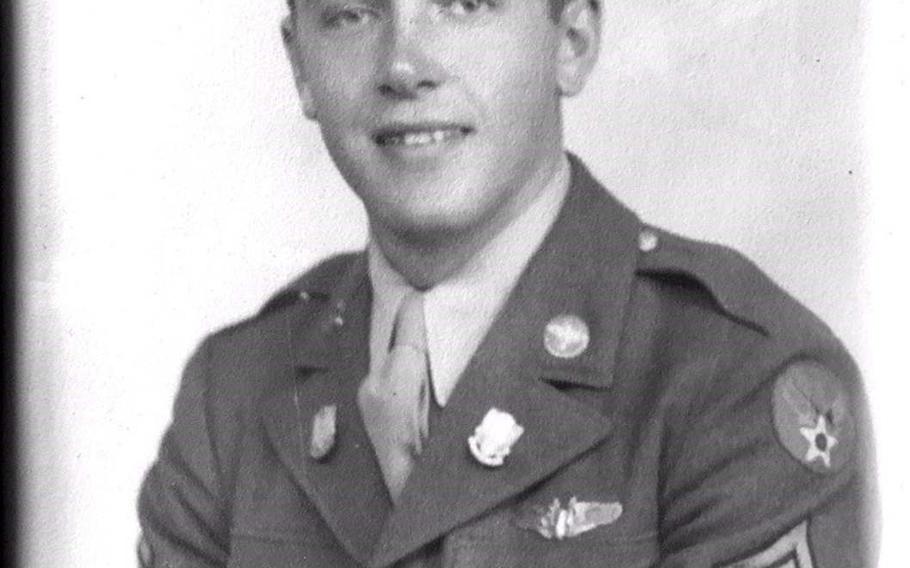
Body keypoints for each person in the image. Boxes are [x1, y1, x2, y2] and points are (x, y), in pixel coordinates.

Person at [136, 0, 877, 566]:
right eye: (352, 12)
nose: (403, 64)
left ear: (571, 42)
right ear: (300, 66)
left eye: (465, 2)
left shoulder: (741, 384)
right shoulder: (231, 396)